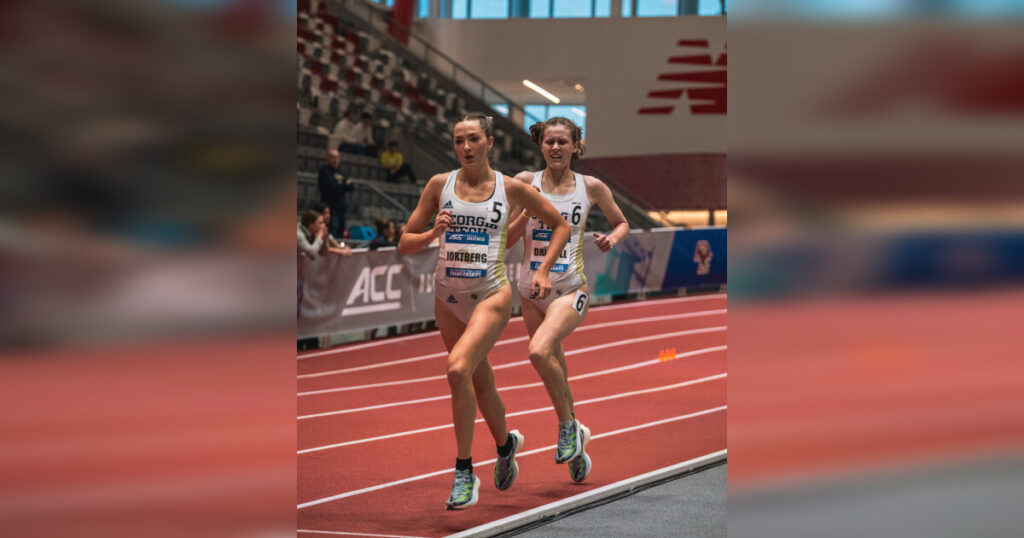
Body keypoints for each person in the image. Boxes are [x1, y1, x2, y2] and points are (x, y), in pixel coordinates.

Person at [398, 113, 571, 510]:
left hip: (490, 295)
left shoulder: (510, 188)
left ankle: (464, 471)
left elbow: (560, 225)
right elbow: (404, 243)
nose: (466, 147)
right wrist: (433, 233)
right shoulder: (439, 185)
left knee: (457, 369)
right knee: (480, 383)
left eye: (474, 138)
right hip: (447, 299)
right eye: (459, 140)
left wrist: (543, 269)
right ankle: (506, 444)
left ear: (490, 142)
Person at [506, 116, 630, 484]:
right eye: (550, 142)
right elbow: (508, 240)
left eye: (563, 142)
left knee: (538, 351)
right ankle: (576, 440)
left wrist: (612, 239)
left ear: (576, 146)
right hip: (530, 293)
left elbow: (622, 222)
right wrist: (526, 212)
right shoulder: (524, 182)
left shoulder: (591, 187)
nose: (556, 148)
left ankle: (567, 427)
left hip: (569, 289)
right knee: (554, 367)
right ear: (540, 145)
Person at [297, 209, 328, 319]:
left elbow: (323, 253)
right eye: (320, 223)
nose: (323, 226)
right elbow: (312, 252)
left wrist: (323, 238)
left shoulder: (312, 234)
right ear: (311, 225)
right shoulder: (298, 235)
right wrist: (319, 237)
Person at [317, 149, 355, 238]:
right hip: (330, 210)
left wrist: (341, 185)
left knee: (340, 236)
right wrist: (344, 185)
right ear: (327, 158)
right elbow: (334, 188)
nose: (335, 160)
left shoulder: (340, 172)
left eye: (337, 157)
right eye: (332, 157)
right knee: (331, 235)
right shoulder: (324, 171)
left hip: (342, 209)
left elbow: (351, 187)